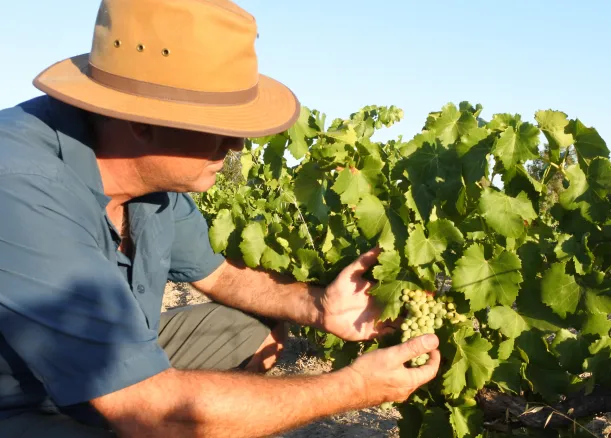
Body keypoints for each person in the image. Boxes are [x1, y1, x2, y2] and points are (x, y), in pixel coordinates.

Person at [0, 0, 441, 436]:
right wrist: (353, 387)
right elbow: (153, 410)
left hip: (100, 368)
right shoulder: (21, 183)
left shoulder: (153, 184)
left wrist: (318, 306)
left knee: (248, 328)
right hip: (17, 402)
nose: (236, 147)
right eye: (221, 126)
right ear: (141, 120)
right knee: (156, 421)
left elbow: (222, 278)